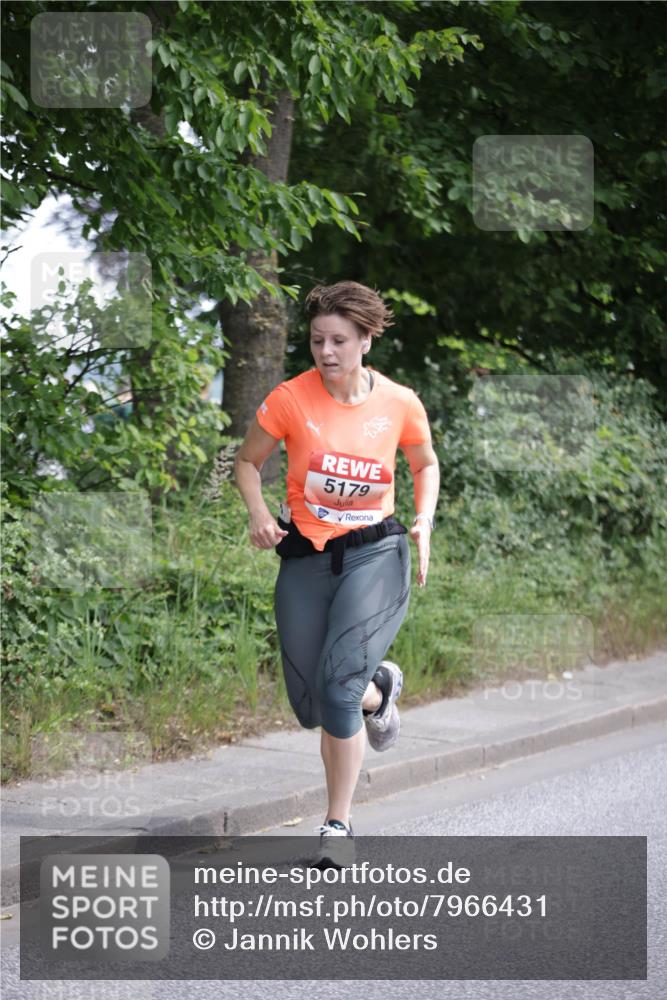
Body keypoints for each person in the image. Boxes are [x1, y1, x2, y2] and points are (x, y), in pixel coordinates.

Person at [233, 281, 440, 867]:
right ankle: (381, 692)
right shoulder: (289, 399)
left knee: (338, 687)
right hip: (306, 557)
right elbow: (247, 462)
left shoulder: (399, 402)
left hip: (375, 553)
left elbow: (424, 463)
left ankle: (337, 826)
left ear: (366, 341)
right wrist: (257, 513)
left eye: (339, 341)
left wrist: (423, 520)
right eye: (317, 340)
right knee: (313, 705)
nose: (326, 351)